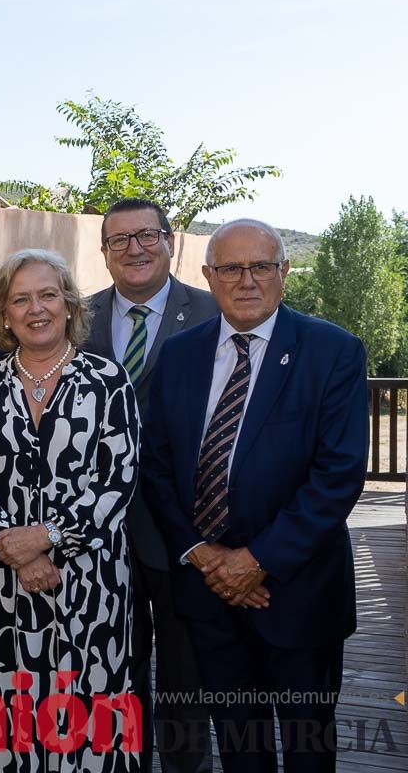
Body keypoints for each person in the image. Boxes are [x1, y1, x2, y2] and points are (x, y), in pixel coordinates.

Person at [142, 219, 367, 773]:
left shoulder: (333, 351)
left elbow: (337, 474)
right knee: (240, 747)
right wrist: (201, 554)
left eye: (261, 266)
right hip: (209, 592)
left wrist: (257, 560)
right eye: (230, 268)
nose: (246, 280)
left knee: (307, 747)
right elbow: (156, 466)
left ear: (284, 273)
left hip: (299, 593)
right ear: (207, 276)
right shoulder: (178, 355)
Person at [0, 248, 141, 773]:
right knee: (15, 715)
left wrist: (48, 537)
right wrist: (18, 551)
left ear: (68, 305)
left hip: (91, 583)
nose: (35, 308)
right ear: (3, 312)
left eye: (47, 295)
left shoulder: (107, 380)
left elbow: (117, 482)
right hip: (6, 587)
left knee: (94, 714)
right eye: (21, 299)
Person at [83, 198, 216, 773]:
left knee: (187, 672)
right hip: (95, 534)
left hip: (187, 529)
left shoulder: (216, 313)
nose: (134, 248)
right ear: (105, 251)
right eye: (119, 240)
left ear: (171, 242)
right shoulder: (73, 317)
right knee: (114, 667)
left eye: (147, 235)